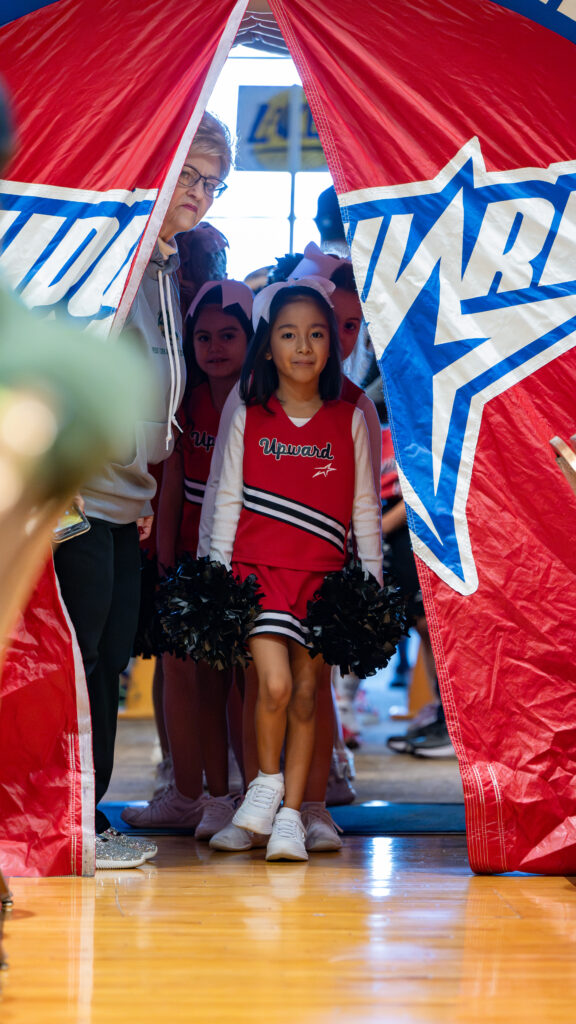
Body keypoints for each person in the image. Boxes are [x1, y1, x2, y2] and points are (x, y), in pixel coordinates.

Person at [54, 111, 233, 869]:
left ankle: (81, 815)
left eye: (213, 184)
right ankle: (74, 821)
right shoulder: (113, 256)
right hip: (81, 496)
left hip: (124, 500)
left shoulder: (165, 264)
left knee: (111, 659)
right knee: (84, 660)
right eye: (188, 173)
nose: (199, 193)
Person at [209, 279, 383, 861]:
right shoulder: (249, 414)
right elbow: (226, 499)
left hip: (325, 579)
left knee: (309, 694)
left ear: (333, 346)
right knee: (275, 686)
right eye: (288, 334)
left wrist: (370, 588)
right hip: (259, 574)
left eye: (316, 334)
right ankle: (263, 788)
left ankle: (286, 818)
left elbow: (365, 509)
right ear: (267, 347)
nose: (303, 347)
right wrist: (215, 576)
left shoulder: (350, 417)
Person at [121, 280, 254, 835]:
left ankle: (252, 793)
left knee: (246, 678)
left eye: (229, 335)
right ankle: (187, 793)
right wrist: (168, 559)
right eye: (203, 336)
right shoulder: (188, 403)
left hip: (248, 564)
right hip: (191, 565)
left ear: (254, 339)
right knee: (182, 670)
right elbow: (171, 485)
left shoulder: (261, 403)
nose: (215, 347)